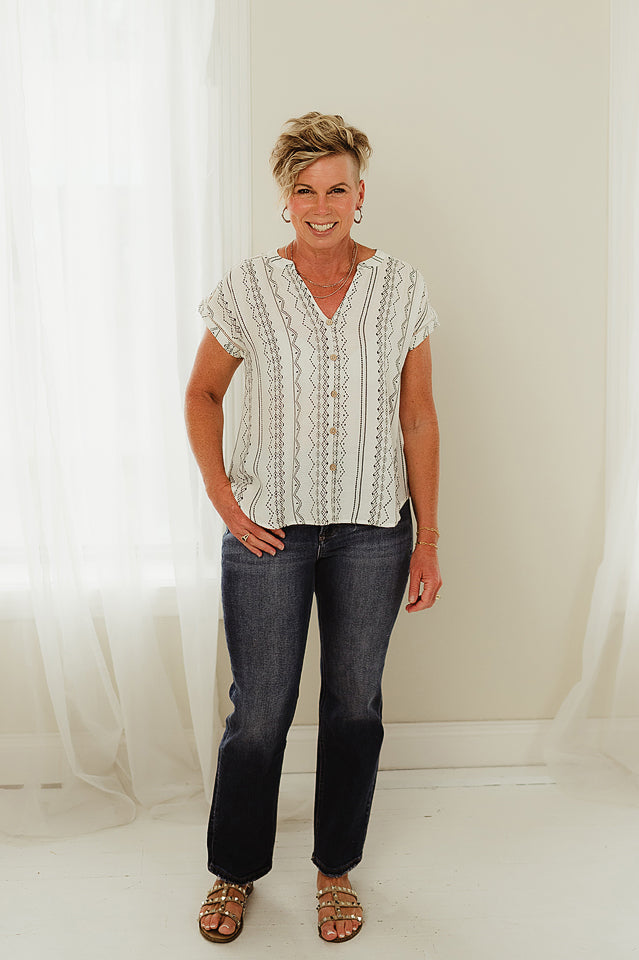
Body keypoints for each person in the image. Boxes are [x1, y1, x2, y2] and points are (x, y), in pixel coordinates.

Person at [185, 111, 442, 945]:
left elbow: (417, 417)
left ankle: (334, 868)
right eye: (305, 190)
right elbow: (202, 394)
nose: (321, 206)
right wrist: (225, 502)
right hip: (269, 531)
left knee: (354, 706)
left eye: (336, 189)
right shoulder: (249, 288)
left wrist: (427, 538)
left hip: (373, 531)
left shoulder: (399, 287)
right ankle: (234, 871)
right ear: (286, 199)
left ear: (360, 196)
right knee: (259, 711)